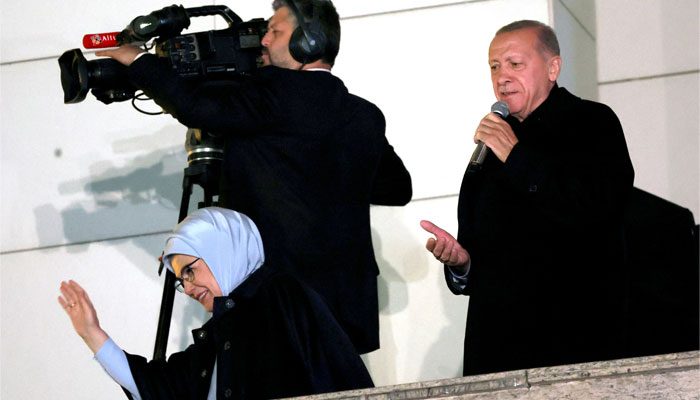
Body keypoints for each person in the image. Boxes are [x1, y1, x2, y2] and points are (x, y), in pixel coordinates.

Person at [96, 0, 412, 354]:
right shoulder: (365, 115)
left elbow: (195, 108)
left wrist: (135, 59)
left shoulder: (273, 93)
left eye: (275, 32)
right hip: (346, 309)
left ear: (307, 42)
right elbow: (398, 187)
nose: (263, 41)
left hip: (282, 307)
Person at [421, 20, 634, 375]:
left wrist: (516, 156)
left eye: (514, 64)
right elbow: (480, 249)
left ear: (553, 68)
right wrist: (462, 264)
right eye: (494, 66)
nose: (501, 77)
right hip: (497, 350)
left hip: (572, 342)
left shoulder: (592, 123)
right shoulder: (492, 147)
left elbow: (596, 209)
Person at [59, 207, 373, 399]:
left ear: (221, 250)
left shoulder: (281, 295)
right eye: (182, 280)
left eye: (190, 271)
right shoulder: (220, 335)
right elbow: (160, 388)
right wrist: (91, 333)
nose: (189, 286)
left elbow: (338, 378)